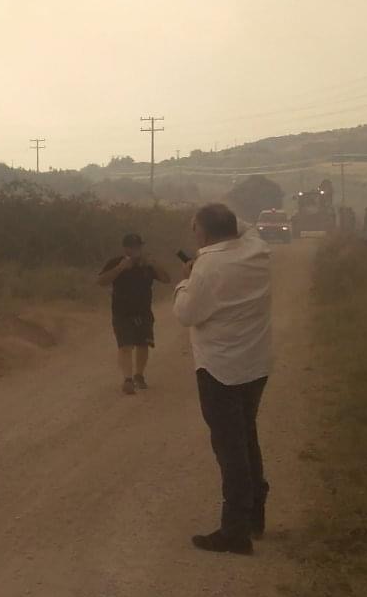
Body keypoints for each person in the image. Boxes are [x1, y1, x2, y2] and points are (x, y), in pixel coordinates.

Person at [174, 203, 273, 555]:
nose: (193, 232)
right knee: (247, 438)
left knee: (229, 448)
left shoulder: (206, 267)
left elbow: (187, 313)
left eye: (195, 227)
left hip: (218, 368)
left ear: (203, 231)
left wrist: (184, 280)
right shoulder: (257, 248)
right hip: (255, 363)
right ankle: (254, 516)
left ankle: (235, 531)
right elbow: (243, 225)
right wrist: (216, 218)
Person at [96, 233, 171, 395]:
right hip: (121, 312)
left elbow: (166, 279)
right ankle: (127, 379)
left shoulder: (147, 264)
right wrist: (120, 268)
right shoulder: (116, 262)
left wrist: (154, 264)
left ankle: (139, 375)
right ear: (126, 248)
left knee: (143, 344)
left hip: (143, 311)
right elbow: (101, 281)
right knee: (125, 345)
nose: (136, 250)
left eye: (139, 247)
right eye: (133, 247)